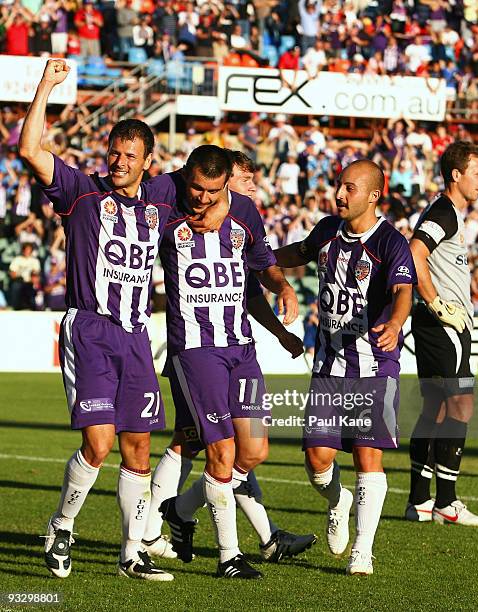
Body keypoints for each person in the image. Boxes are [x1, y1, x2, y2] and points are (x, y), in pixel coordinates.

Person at [18, 59, 226, 581]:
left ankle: (131, 552)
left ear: (147, 161)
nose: (118, 161)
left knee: (138, 446)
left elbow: (208, 177)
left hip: (136, 337)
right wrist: (46, 85)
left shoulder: (161, 196)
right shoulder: (81, 192)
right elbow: (29, 149)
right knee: (100, 443)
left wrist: (223, 204)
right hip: (90, 329)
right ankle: (61, 524)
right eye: (114, 152)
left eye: (130, 156)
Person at [144, 150, 316, 566]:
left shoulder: (243, 212)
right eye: (198, 189)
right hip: (197, 349)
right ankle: (228, 554)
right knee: (213, 448)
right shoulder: (165, 202)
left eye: (214, 191)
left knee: (252, 451)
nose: (203, 198)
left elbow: (264, 268)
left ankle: (179, 512)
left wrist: (286, 290)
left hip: (241, 348)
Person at [275, 159, 416, 576]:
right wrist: (255, 257)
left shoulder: (391, 242)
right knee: (318, 460)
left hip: (374, 364)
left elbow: (403, 291)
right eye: (339, 185)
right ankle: (338, 501)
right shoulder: (325, 231)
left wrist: (394, 321)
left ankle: (362, 549)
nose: (339, 193)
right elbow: (295, 253)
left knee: (366, 455)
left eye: (349, 188)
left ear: (373, 196)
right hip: (329, 362)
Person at [405, 141, 478, 527]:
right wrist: (438, 304)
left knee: (435, 407)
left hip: (436, 324)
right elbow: (415, 251)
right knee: (461, 407)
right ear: (456, 175)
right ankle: (447, 503)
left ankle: (420, 501)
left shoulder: (447, 212)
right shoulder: (444, 212)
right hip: (444, 326)